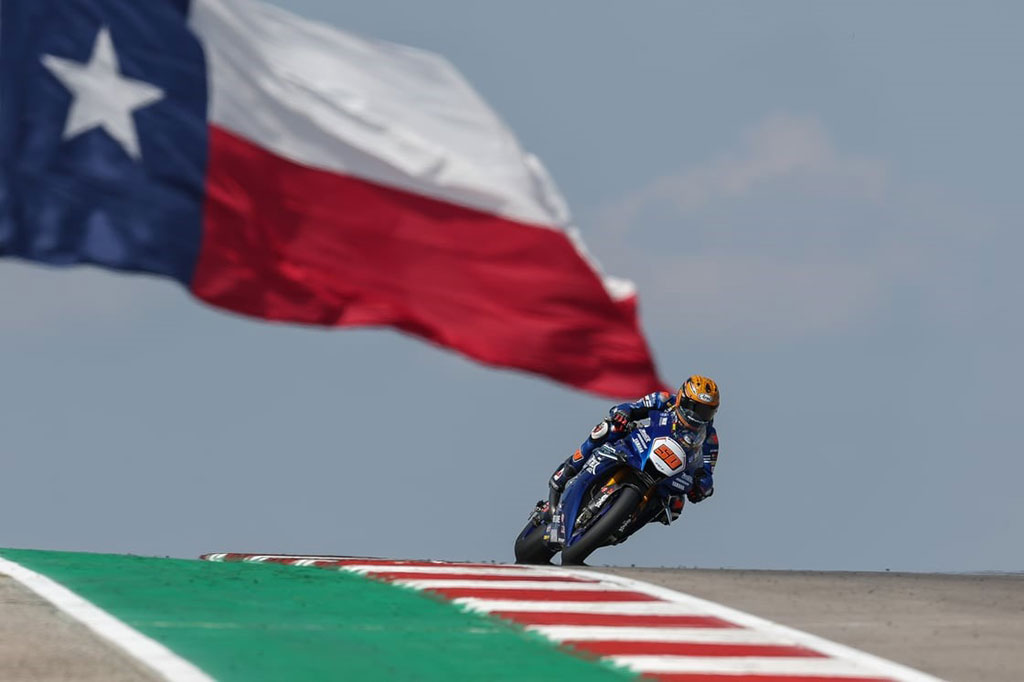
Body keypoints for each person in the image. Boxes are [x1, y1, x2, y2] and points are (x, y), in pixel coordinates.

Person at [541, 375, 721, 540]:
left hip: (669, 474)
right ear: (682, 399)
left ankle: (623, 526)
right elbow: (632, 408)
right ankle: (566, 471)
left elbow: (707, 473)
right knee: (608, 429)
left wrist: (702, 485)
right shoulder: (664, 400)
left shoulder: (710, 439)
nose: (695, 415)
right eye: (694, 408)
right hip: (638, 447)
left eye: (705, 412)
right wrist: (623, 414)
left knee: (675, 506)